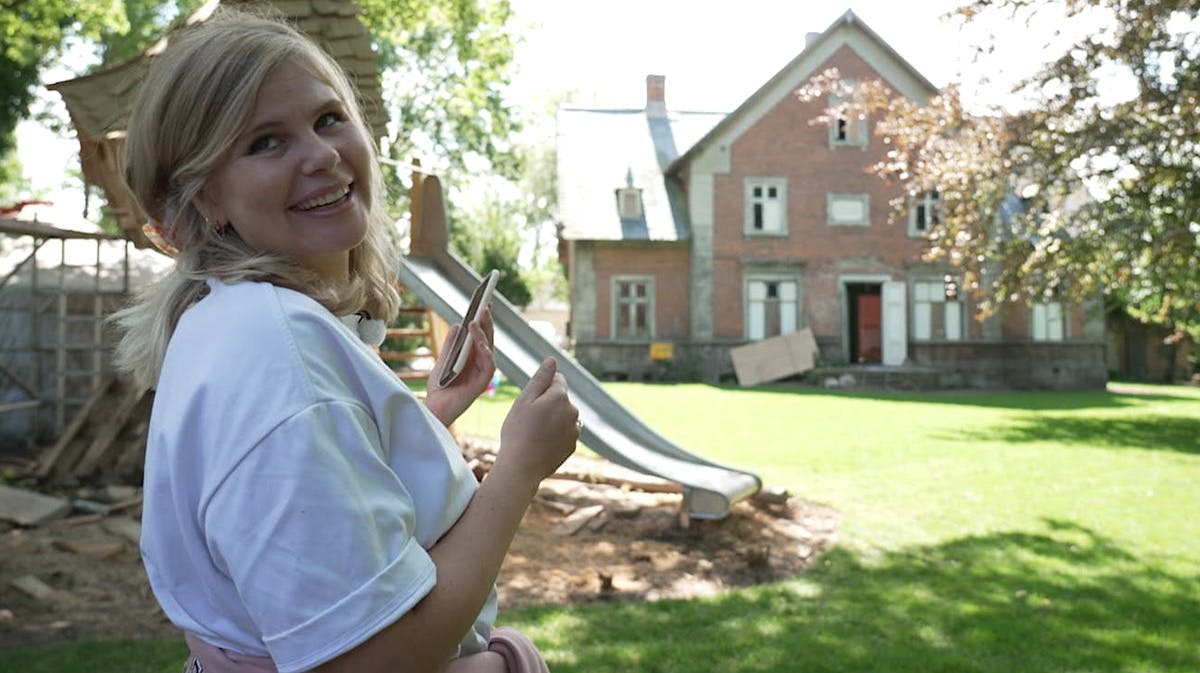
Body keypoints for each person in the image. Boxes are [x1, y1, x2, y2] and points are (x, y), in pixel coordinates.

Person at [112, 8, 579, 673]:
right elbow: (371, 659)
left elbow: (316, 492)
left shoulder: (228, 319)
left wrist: (425, 418)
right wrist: (520, 467)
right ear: (206, 194)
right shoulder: (279, 352)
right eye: (266, 142)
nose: (324, 155)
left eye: (328, 118)